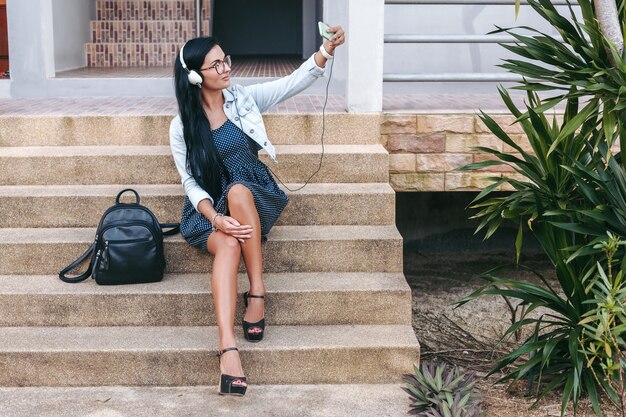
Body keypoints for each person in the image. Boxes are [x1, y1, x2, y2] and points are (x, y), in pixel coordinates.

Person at [170, 25, 345, 396]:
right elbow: (190, 182)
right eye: (215, 65)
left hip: (253, 196)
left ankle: (258, 291)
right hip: (208, 211)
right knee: (228, 245)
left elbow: (291, 83)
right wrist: (215, 219)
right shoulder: (182, 127)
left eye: (225, 60)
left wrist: (325, 51)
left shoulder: (242, 99)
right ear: (194, 76)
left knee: (237, 190)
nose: (225, 69)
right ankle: (227, 349)